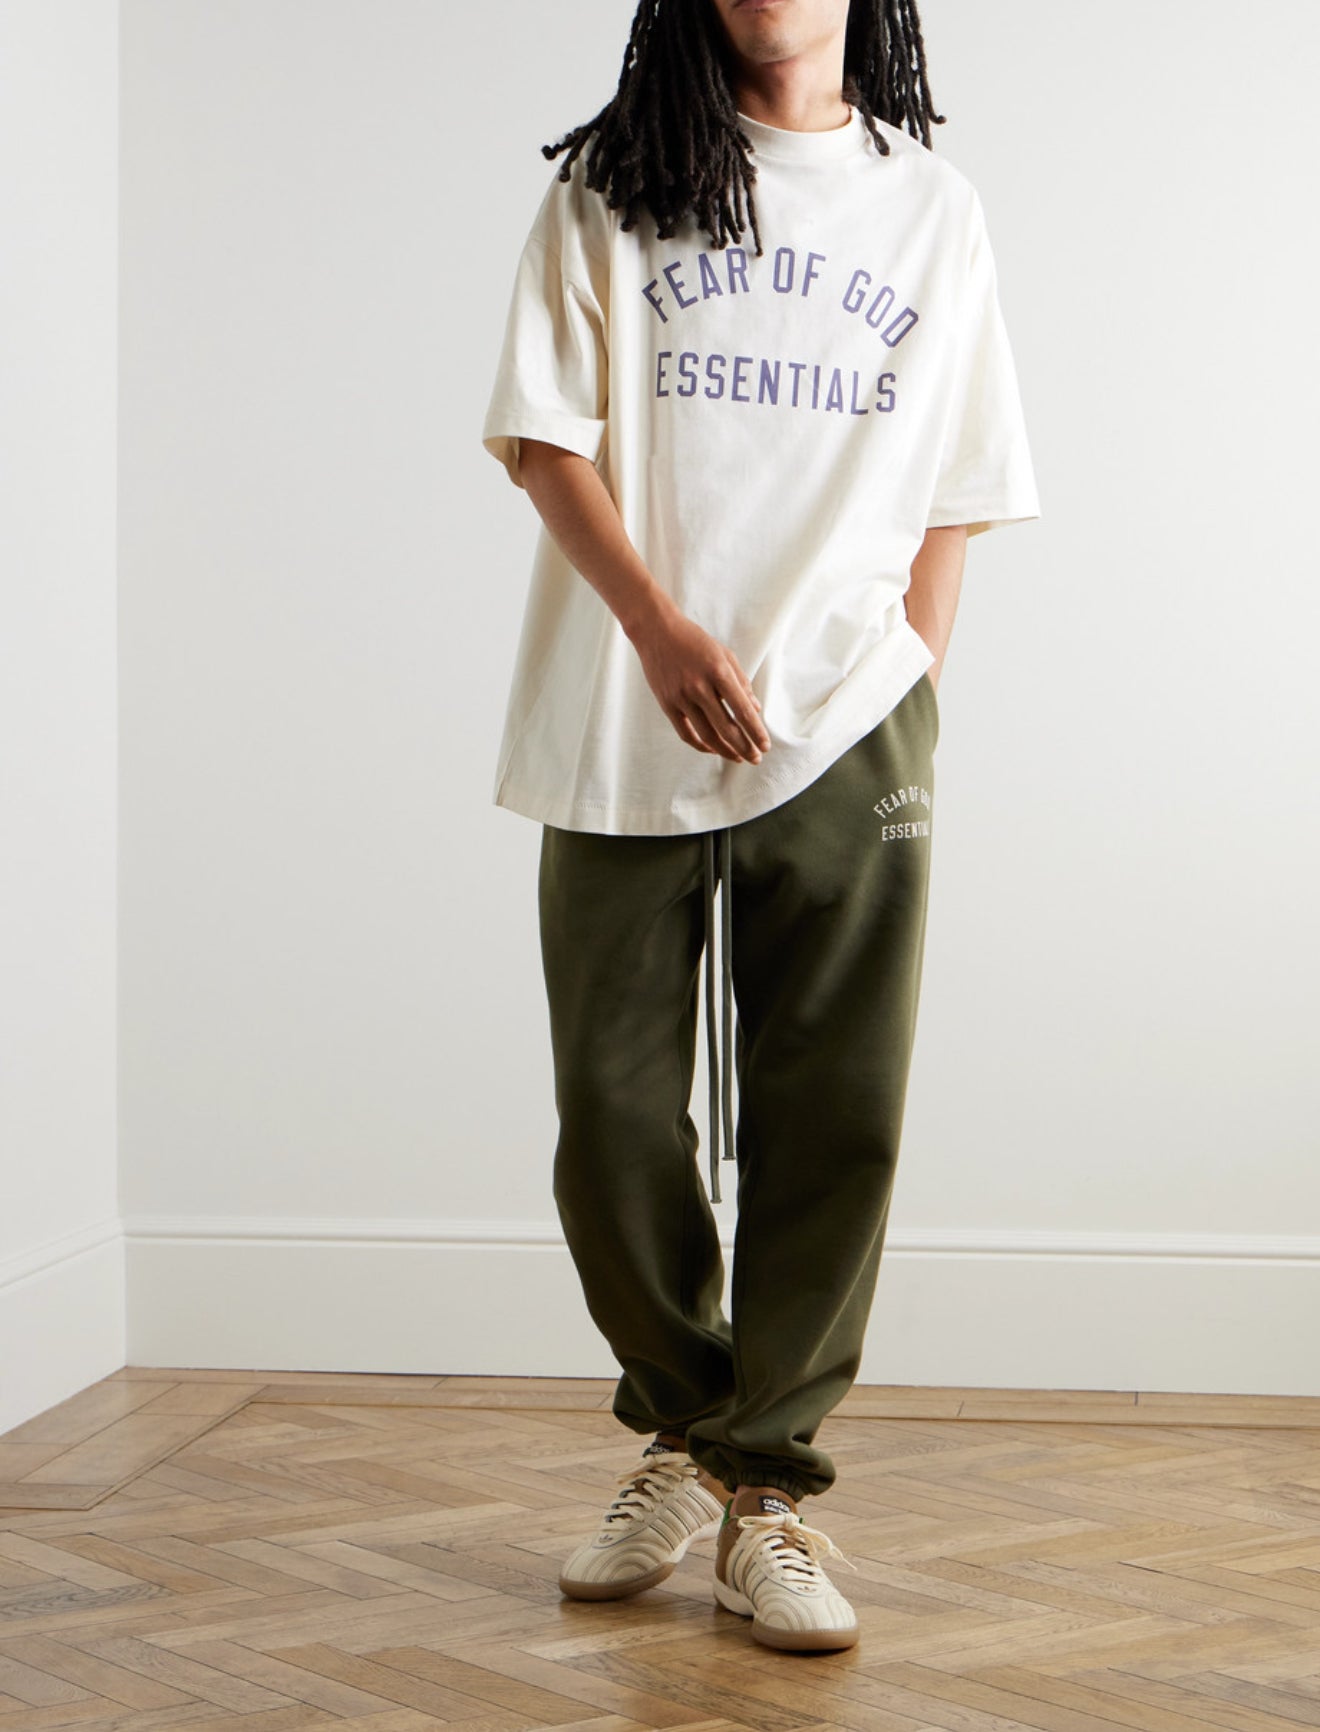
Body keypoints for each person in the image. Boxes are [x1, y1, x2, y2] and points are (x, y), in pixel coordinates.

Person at [480, 0, 1040, 1654]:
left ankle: (766, 1489)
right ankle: (687, 1426)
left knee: (836, 1110)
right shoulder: (613, 183)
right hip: (624, 710)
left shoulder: (931, 210)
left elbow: (959, 486)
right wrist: (657, 632)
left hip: (855, 725)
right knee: (612, 1113)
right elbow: (543, 439)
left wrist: (906, 670)